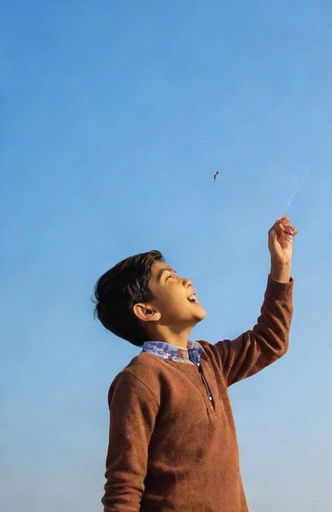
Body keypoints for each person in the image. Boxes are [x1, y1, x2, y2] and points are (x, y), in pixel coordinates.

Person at [93, 216, 298, 512]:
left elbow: (269, 341)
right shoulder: (141, 378)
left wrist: (281, 267)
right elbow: (124, 484)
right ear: (147, 310)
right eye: (169, 278)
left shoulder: (210, 360)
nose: (187, 281)